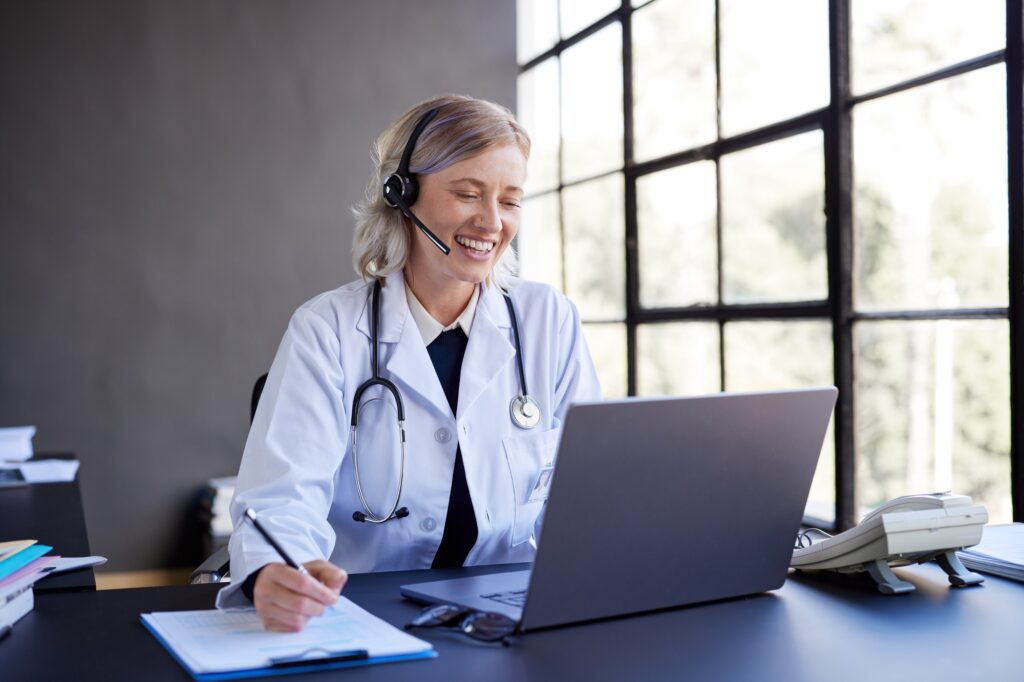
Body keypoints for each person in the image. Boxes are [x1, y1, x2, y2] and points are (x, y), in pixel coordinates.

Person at [215, 94, 601, 631]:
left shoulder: (548, 321)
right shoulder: (327, 329)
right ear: (402, 195)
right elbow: (281, 497)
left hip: (510, 612)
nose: (492, 221)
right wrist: (279, 571)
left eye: (510, 201)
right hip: (364, 611)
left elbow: (593, 492)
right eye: (468, 193)